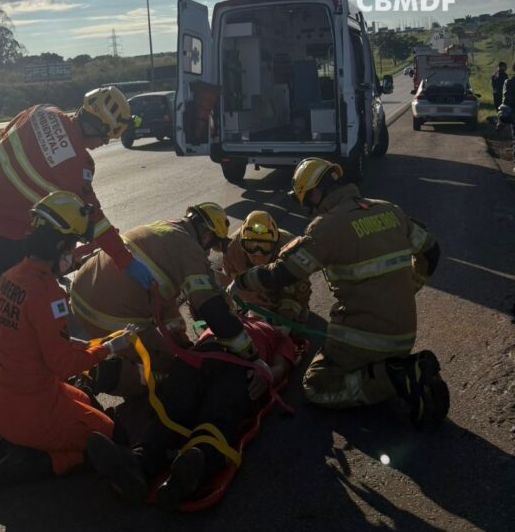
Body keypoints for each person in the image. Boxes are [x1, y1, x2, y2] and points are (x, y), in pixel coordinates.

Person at [236, 158, 449, 428]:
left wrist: (241, 282)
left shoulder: (327, 227)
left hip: (364, 338)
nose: (310, 211)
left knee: (316, 386)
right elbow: (432, 252)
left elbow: (282, 274)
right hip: (405, 333)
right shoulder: (389, 210)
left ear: (315, 193)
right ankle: (397, 370)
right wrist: (409, 288)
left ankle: (397, 376)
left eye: (307, 203)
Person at [0, 86, 147, 361]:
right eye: (105, 137)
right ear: (95, 125)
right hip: (6, 225)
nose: (103, 143)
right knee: (25, 291)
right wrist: (125, 260)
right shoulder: (77, 165)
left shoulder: (43, 111)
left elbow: (5, 134)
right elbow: (94, 220)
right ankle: (21, 356)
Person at [0, 190, 134, 492]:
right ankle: (43, 461)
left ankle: (22, 444)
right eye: (71, 246)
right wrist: (109, 347)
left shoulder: (10, 276)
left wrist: (93, 344)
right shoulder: (48, 295)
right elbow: (63, 364)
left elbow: (36, 340)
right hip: (29, 411)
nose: (72, 254)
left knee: (85, 400)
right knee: (109, 432)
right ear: (60, 245)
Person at [86, 314, 298, 510]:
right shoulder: (226, 316)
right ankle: (138, 465)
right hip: (198, 358)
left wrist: (266, 374)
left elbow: (281, 367)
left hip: (242, 366)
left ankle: (196, 464)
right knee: (173, 405)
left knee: (220, 409)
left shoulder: (277, 335)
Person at [69, 203, 259, 396]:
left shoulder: (165, 228)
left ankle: (98, 364)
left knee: (175, 351)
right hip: (107, 313)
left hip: (81, 293)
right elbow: (211, 308)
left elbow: (165, 299)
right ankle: (105, 374)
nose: (208, 253)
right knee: (171, 372)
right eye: (211, 247)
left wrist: (183, 343)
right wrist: (251, 355)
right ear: (207, 236)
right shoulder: (191, 250)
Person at [222, 210, 310, 324]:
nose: (258, 257)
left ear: (275, 245)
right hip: (251, 294)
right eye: (251, 249)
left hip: (281, 289)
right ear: (242, 243)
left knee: (294, 319)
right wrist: (246, 296)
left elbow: (302, 284)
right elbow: (227, 279)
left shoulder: (290, 245)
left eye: (265, 248)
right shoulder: (232, 250)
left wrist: (287, 313)